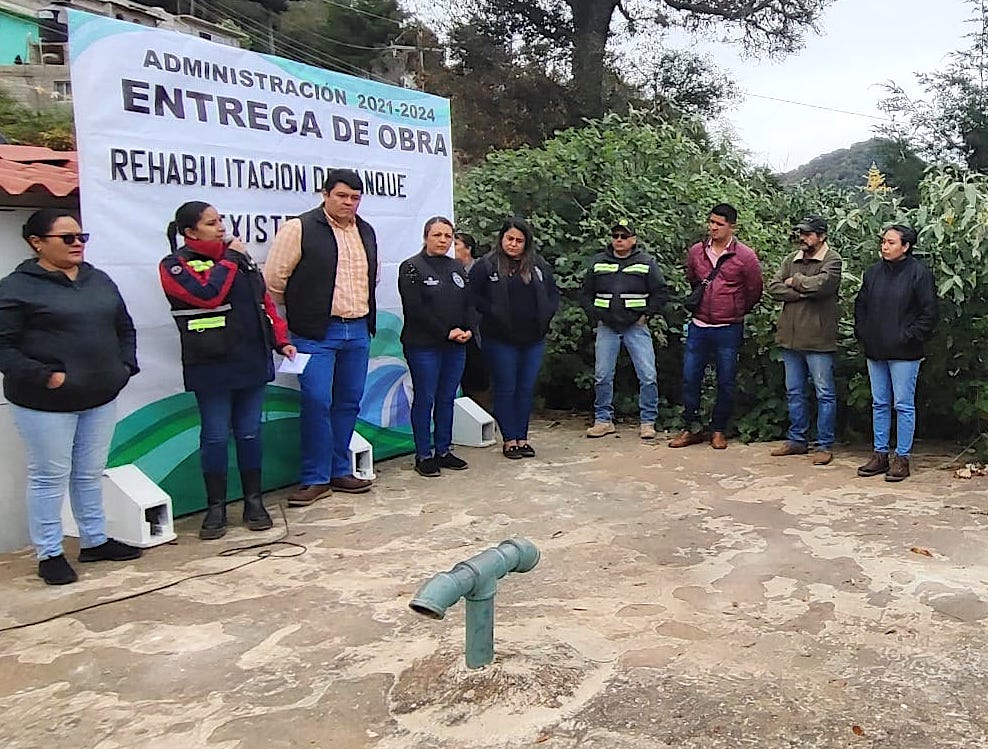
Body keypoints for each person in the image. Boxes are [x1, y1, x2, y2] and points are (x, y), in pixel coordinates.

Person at [0, 209, 141, 585]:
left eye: (81, 237)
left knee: (89, 473)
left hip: (99, 395)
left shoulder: (98, 279)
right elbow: (5, 347)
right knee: (49, 476)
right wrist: (46, 377)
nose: (78, 243)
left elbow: (123, 326)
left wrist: (124, 367)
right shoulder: (16, 287)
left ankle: (94, 540)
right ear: (37, 243)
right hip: (45, 402)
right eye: (67, 238)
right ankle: (49, 552)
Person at [159, 202, 296, 540]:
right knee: (216, 436)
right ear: (190, 232)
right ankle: (216, 507)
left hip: (250, 359)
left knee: (250, 433)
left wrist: (280, 340)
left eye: (220, 220)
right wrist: (231, 259)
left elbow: (263, 302)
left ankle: (254, 501)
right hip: (211, 363)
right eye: (211, 223)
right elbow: (206, 294)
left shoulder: (239, 259)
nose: (220, 227)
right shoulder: (175, 265)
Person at [264, 169, 377, 505]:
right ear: (325, 194)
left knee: (348, 402)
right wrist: (305, 311)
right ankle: (315, 478)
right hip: (315, 333)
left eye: (355, 197)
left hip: (357, 330)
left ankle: (340, 470)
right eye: (342, 196)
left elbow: (371, 278)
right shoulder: (299, 228)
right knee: (316, 402)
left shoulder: (366, 231)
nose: (349, 203)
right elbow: (274, 283)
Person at [669, 203, 763, 450]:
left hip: (728, 327)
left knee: (726, 380)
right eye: (711, 222)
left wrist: (736, 310)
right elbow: (692, 279)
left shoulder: (745, 256)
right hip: (699, 325)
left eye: (719, 224)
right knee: (690, 378)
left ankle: (718, 429)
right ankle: (691, 427)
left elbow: (754, 290)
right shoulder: (697, 252)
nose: (713, 228)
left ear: (732, 226)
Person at [468, 217, 559, 459]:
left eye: (519, 240)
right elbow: (472, 297)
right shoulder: (486, 265)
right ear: (501, 239)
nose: (513, 244)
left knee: (526, 388)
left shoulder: (538, 266)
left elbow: (552, 295)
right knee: (506, 388)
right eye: (510, 239)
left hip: (533, 340)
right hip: (500, 340)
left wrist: (545, 318)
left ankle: (522, 437)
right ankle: (509, 439)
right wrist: (491, 314)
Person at [854, 224, 938, 482]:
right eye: (884, 241)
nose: (885, 246)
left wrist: (908, 336)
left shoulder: (918, 274)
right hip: (875, 349)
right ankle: (880, 454)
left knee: (902, 404)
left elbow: (929, 313)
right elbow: (861, 305)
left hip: (905, 352)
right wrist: (863, 332)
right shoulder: (873, 273)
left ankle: (902, 458)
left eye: (891, 242)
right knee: (879, 403)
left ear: (906, 246)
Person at [398, 217, 474, 477]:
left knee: (447, 398)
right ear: (426, 237)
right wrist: (446, 331)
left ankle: (443, 450)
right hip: (424, 345)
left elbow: (469, 302)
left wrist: (468, 329)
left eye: (447, 236)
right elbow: (415, 309)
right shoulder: (411, 267)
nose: (443, 240)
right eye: (437, 235)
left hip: (456, 345)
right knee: (425, 397)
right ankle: (424, 454)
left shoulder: (457, 266)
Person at [582, 218, 669, 440]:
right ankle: (603, 420)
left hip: (636, 327)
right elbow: (584, 294)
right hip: (607, 326)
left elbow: (661, 293)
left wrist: (646, 315)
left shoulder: (646, 262)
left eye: (624, 236)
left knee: (648, 375)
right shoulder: (598, 262)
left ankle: (648, 422)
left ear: (633, 239)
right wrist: (597, 315)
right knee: (602, 375)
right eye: (615, 236)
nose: (619, 240)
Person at [767, 216, 843, 466]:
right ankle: (797, 440)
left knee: (824, 393)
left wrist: (796, 282)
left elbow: (823, 286)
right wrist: (803, 292)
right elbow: (774, 287)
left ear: (822, 236)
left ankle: (824, 445)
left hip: (819, 339)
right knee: (795, 392)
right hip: (790, 339)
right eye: (801, 233)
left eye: (808, 234)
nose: (803, 238)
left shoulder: (833, 260)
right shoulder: (792, 258)